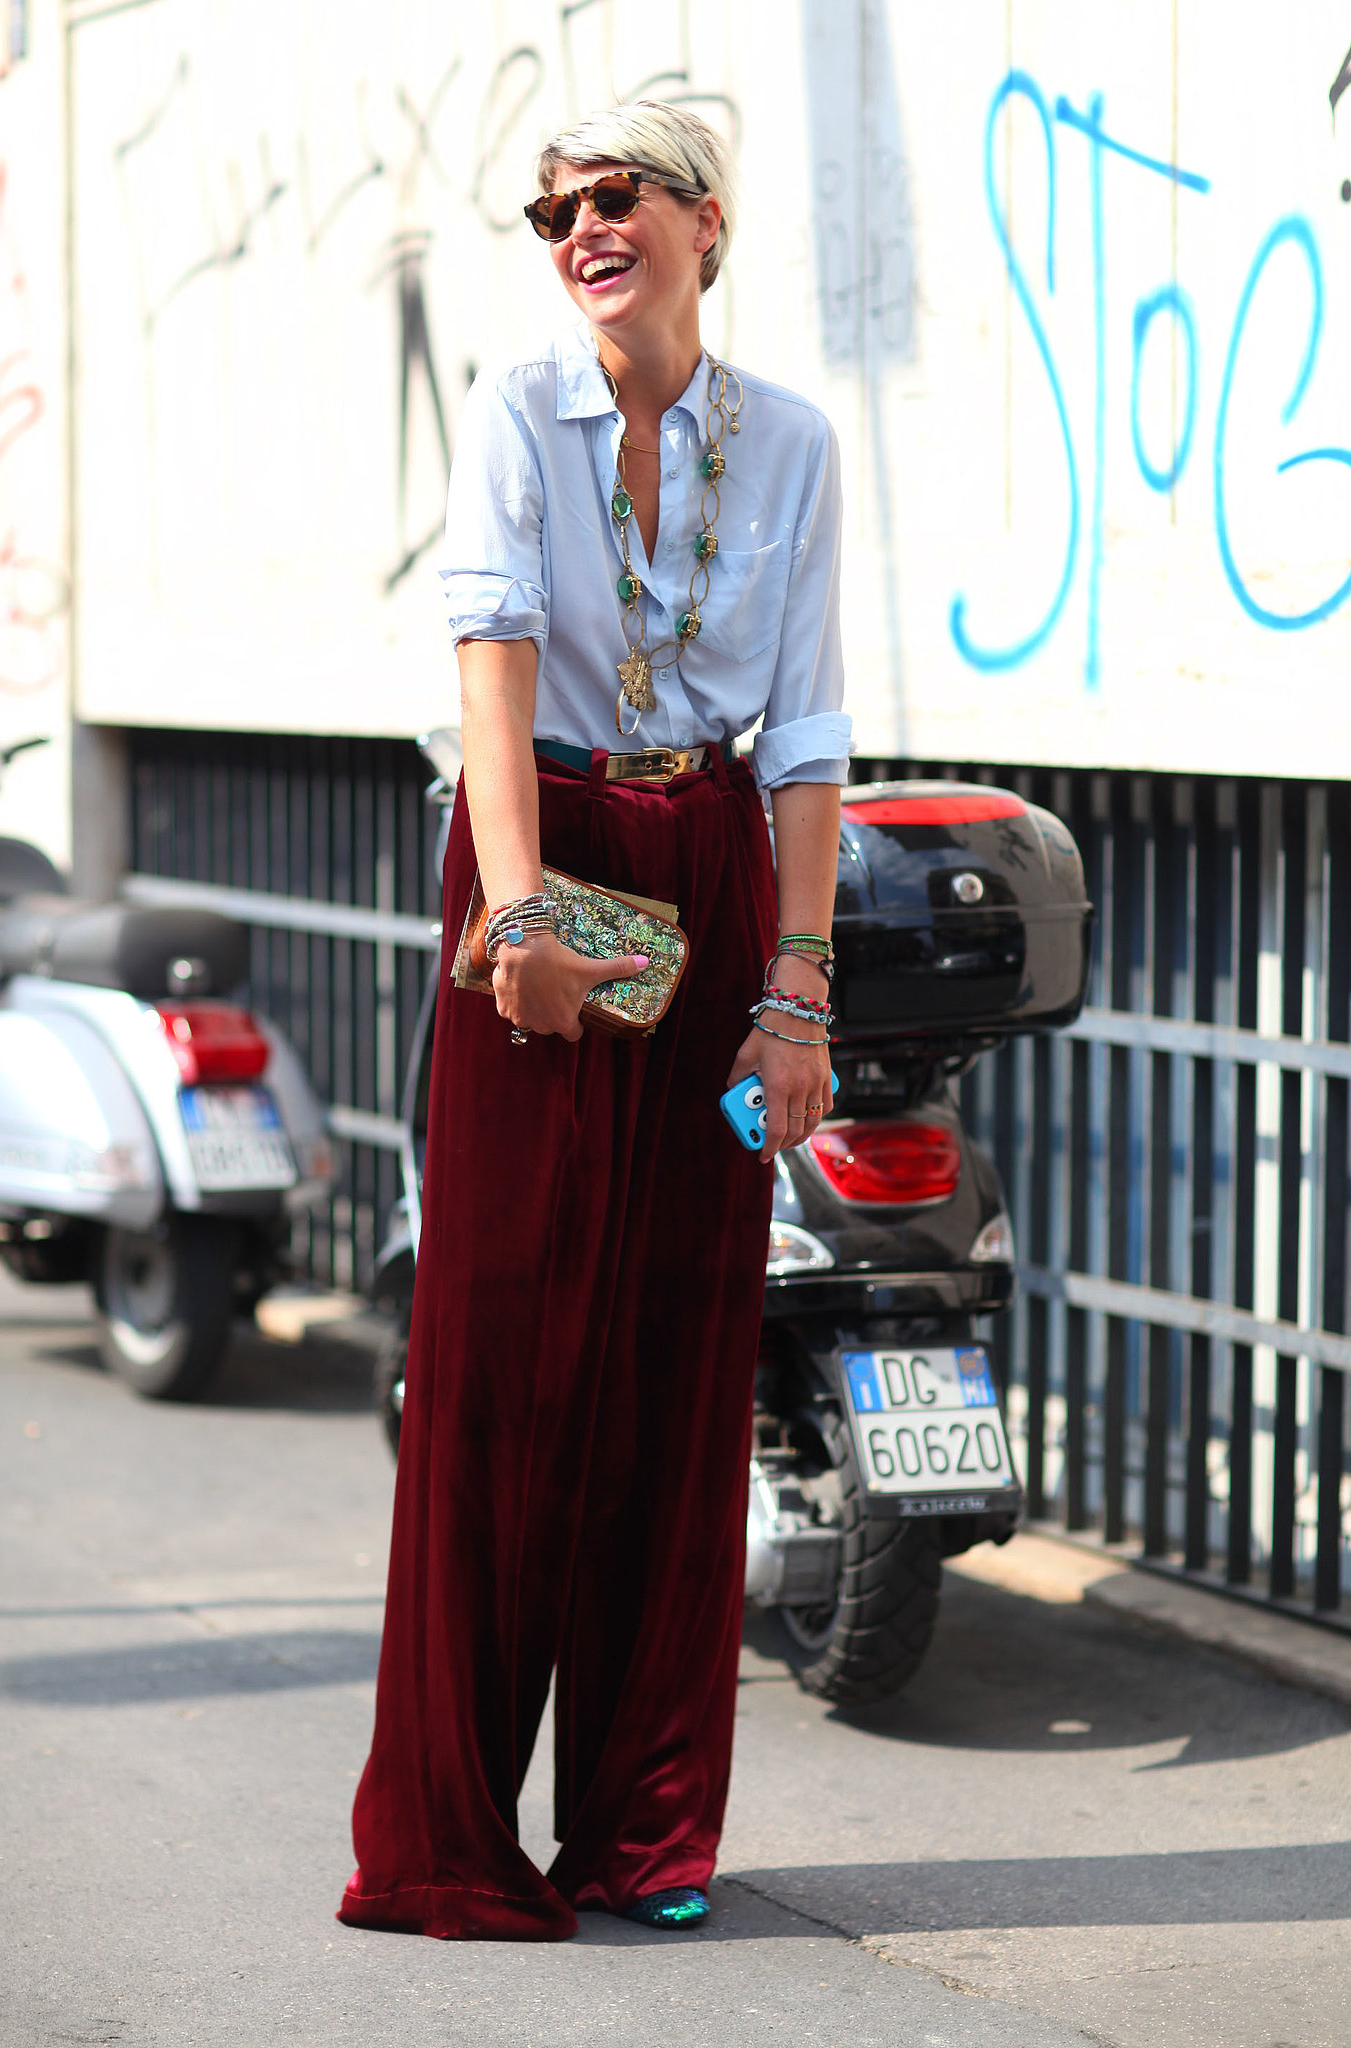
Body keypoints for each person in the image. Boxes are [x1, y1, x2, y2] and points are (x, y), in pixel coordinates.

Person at [339, 100, 849, 1942]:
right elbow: (487, 654)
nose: (573, 226)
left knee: (668, 1358)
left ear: (702, 220)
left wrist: (794, 990)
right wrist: (517, 906)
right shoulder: (513, 410)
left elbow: (800, 732)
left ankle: (646, 1834)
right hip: (544, 848)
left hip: (712, 868)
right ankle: (449, 1839)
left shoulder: (791, 444)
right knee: (497, 1352)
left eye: (609, 195)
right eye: (548, 208)